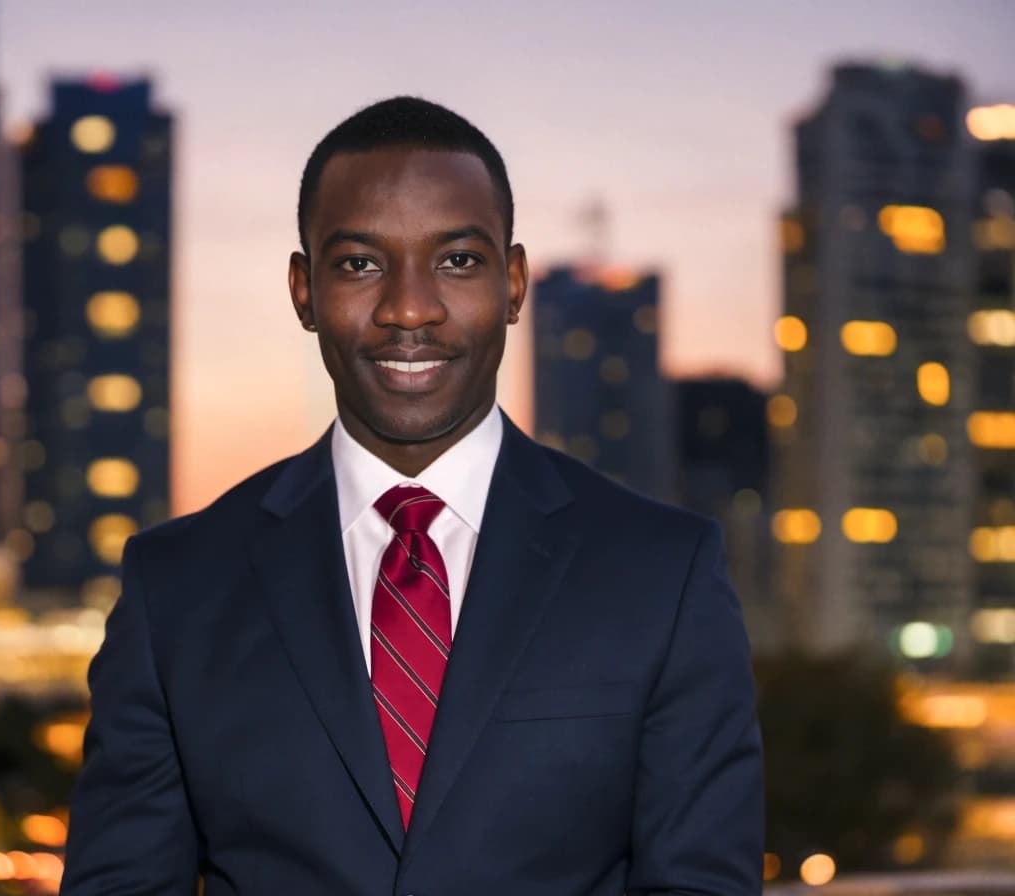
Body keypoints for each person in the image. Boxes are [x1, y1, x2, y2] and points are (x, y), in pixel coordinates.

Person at [62, 96, 764, 895]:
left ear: (514, 282)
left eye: (457, 261)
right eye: (360, 263)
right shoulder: (177, 585)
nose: (407, 308)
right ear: (303, 290)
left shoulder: (663, 571)